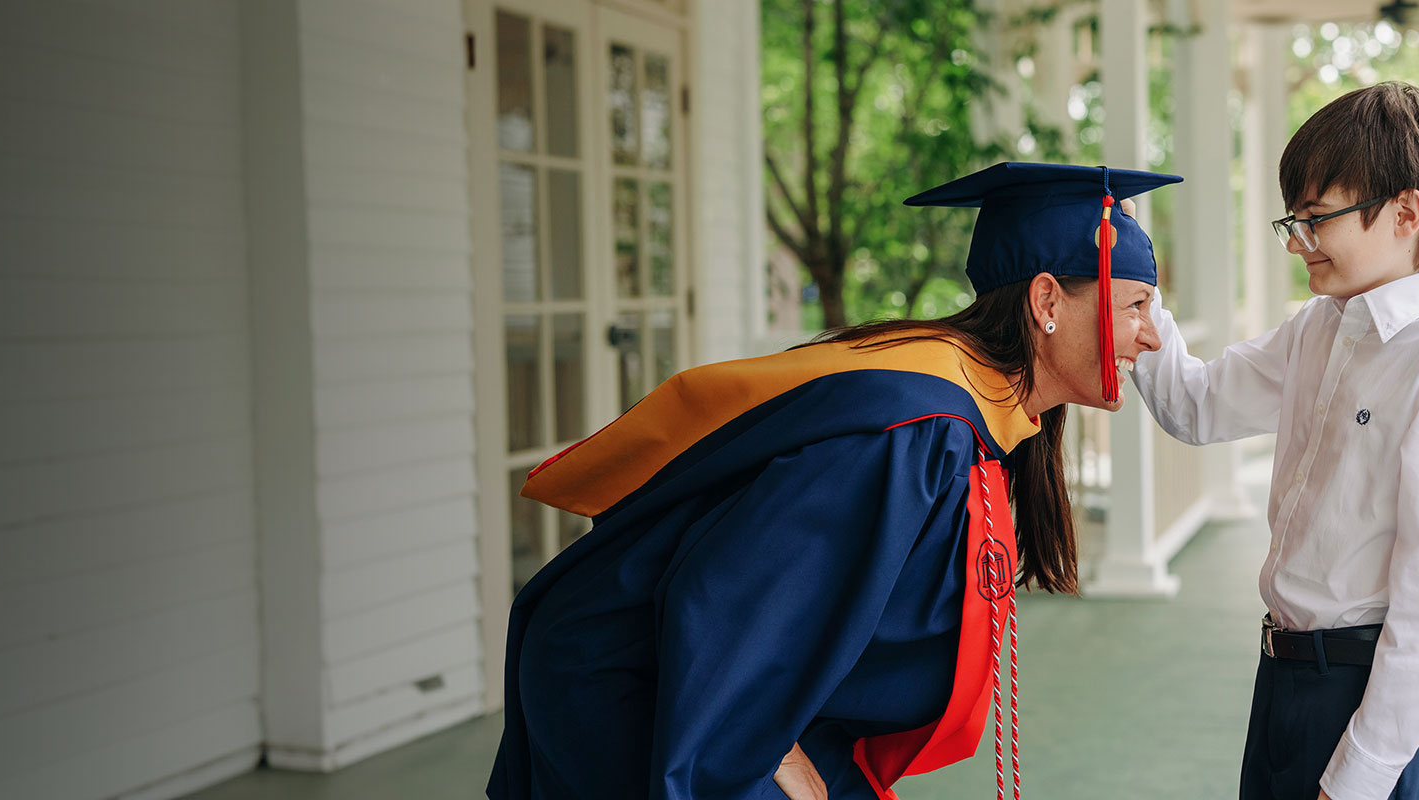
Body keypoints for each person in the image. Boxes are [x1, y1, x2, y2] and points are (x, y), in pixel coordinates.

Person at [485, 163, 1177, 800]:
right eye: (1136, 305)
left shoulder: (977, 404)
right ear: (1047, 301)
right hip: (641, 694)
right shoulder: (918, 435)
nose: (1152, 336)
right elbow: (726, 599)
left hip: (729, 691)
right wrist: (771, 753)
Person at [1124, 82, 1419, 800]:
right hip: (1283, 677)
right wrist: (1131, 291)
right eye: (1293, 222)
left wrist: (1356, 781)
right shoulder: (1320, 327)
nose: (1300, 243)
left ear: (1406, 212)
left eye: (1317, 219)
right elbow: (1196, 405)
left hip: (1370, 704)